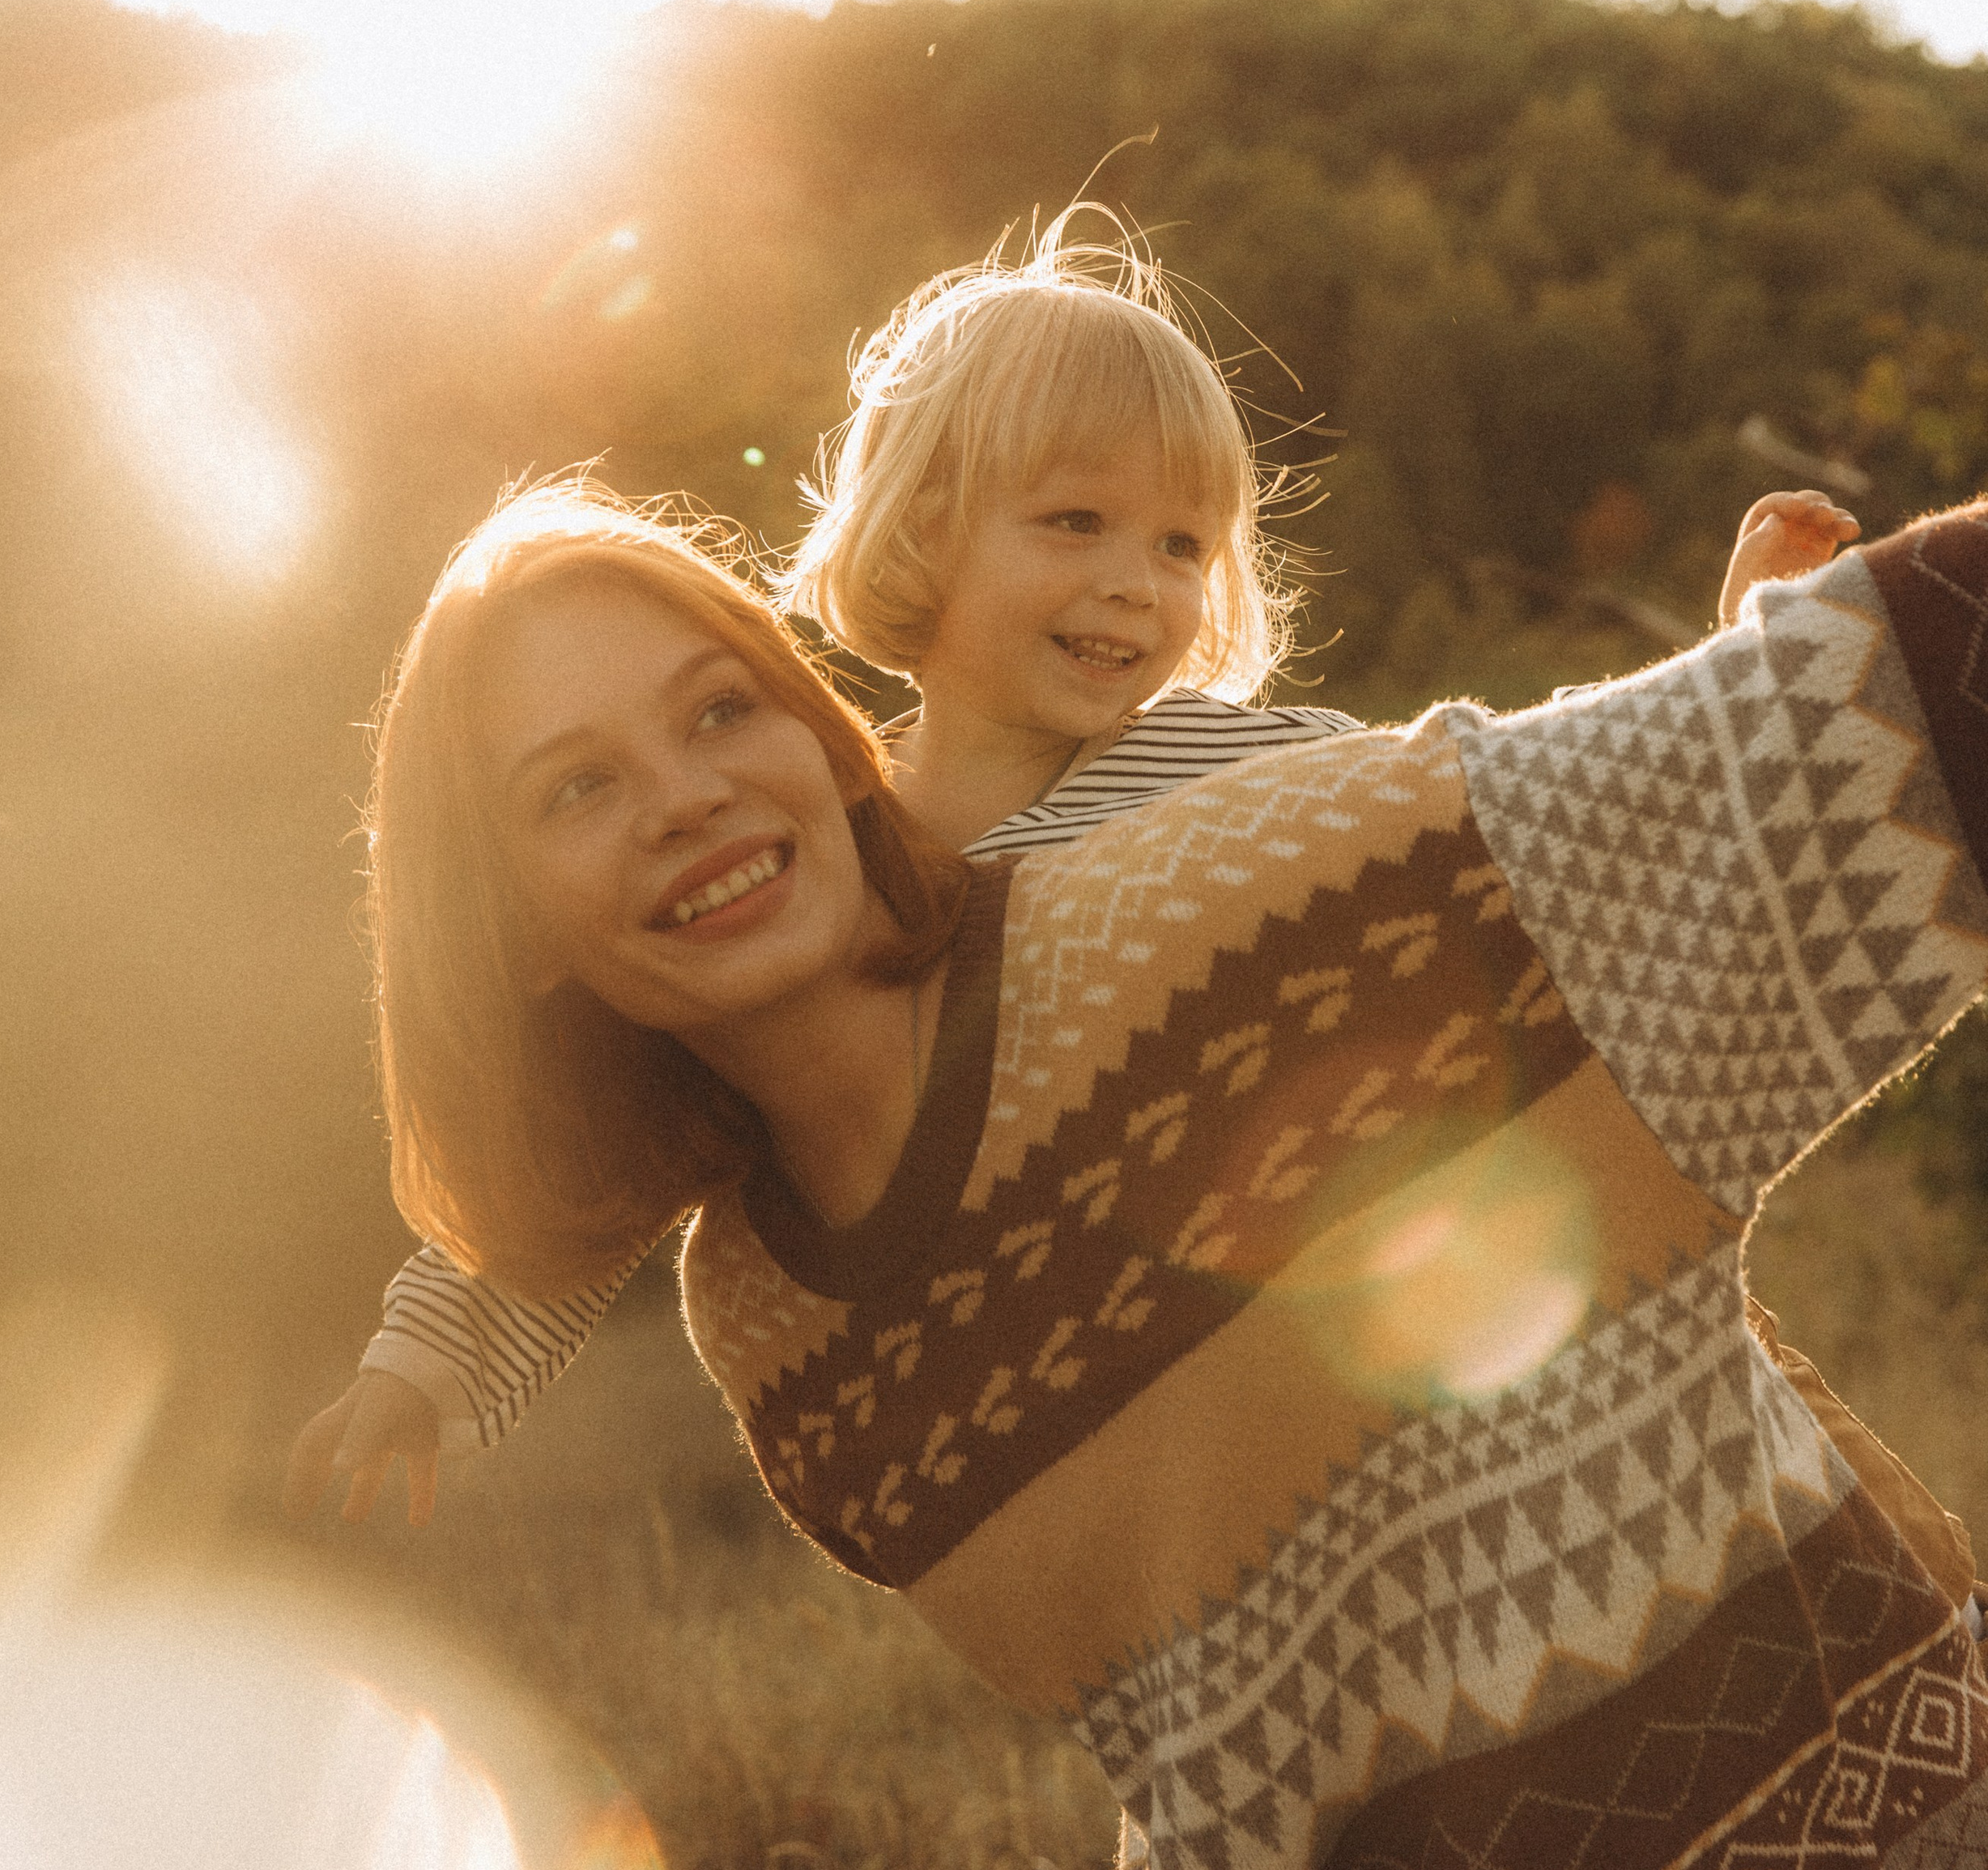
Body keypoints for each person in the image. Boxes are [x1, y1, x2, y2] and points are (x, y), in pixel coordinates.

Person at [291, 474, 1988, 1870]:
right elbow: (1231, 1730)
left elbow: (1895, 684)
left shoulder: (1227, 912)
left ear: (818, 736)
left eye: (721, 709)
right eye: (576, 789)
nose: (684, 795)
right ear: (502, 931)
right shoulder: (771, 1329)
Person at [306, 231, 1969, 1604]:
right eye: (1073, 523)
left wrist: (1725, 659)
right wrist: (426, 1370)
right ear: (921, 540)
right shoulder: (833, 858)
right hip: (1123, 1412)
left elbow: (1514, 831)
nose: (1134, 584)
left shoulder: (1224, 762)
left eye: (1182, 543)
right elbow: (585, 1190)